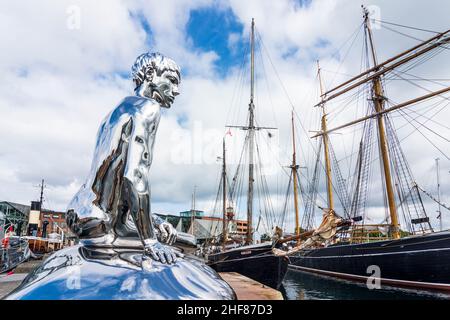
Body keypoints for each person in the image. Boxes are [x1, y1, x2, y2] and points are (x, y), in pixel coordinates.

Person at [67, 52, 181, 264]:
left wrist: (156, 223)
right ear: (150, 74)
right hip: (106, 223)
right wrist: (150, 240)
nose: (177, 90)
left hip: (83, 213)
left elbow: (115, 183)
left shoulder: (113, 115)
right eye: (172, 80)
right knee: (181, 244)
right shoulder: (149, 107)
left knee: (171, 237)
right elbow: (134, 175)